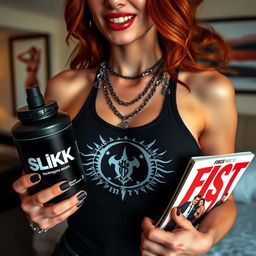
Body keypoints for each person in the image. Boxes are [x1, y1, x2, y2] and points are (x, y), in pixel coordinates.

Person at [12, 0, 238, 255]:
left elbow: (224, 199)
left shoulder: (210, 91)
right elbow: (40, 185)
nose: (113, 1)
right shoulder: (64, 88)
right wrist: (35, 206)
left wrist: (206, 238)